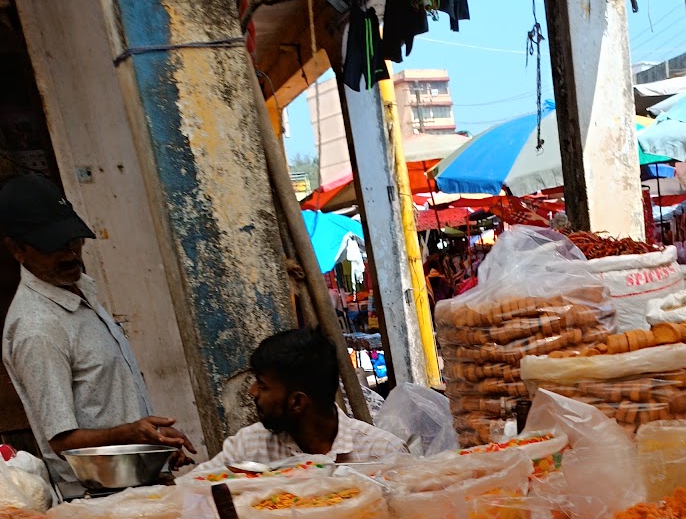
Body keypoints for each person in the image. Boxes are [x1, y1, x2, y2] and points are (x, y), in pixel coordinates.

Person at [0, 173, 194, 497]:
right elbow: (62, 440)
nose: (70, 254)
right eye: (54, 247)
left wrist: (151, 447)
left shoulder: (79, 291)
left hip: (136, 485)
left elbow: (108, 402)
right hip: (102, 499)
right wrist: (134, 434)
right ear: (18, 250)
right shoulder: (38, 327)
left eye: (73, 241)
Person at [211, 327, 410, 472]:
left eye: (262, 385)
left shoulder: (383, 453)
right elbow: (195, 491)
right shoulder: (247, 446)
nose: (252, 392)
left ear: (297, 402)